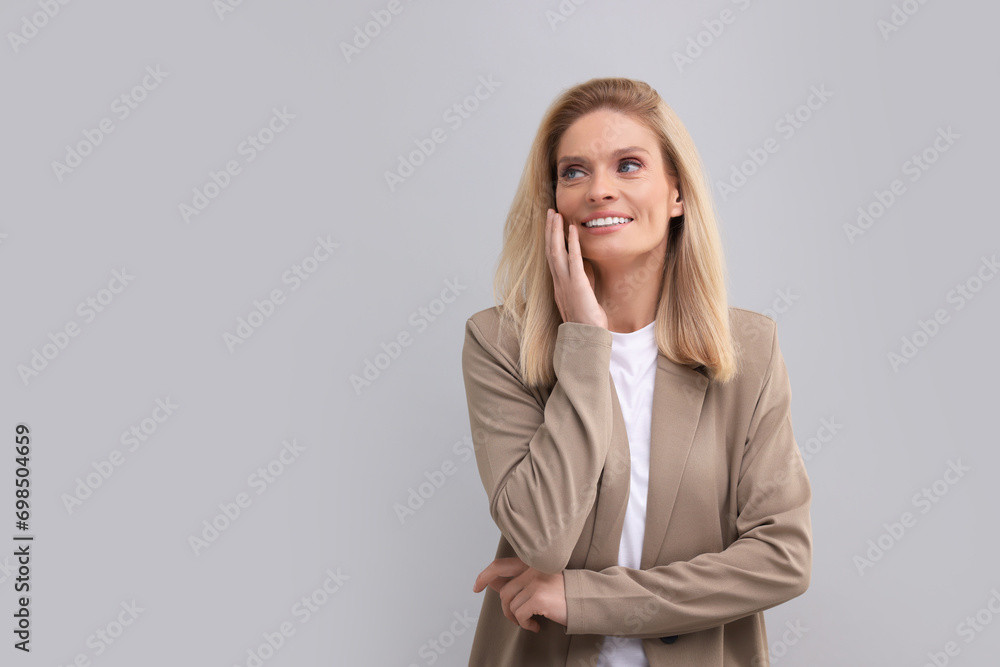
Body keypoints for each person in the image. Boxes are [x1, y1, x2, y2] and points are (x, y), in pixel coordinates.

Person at [460, 77, 812, 666]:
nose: (600, 190)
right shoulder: (499, 343)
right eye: (574, 172)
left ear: (676, 193)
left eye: (628, 166)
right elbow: (542, 536)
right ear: (552, 204)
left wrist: (586, 598)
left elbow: (782, 558)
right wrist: (584, 345)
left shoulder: (748, 348)